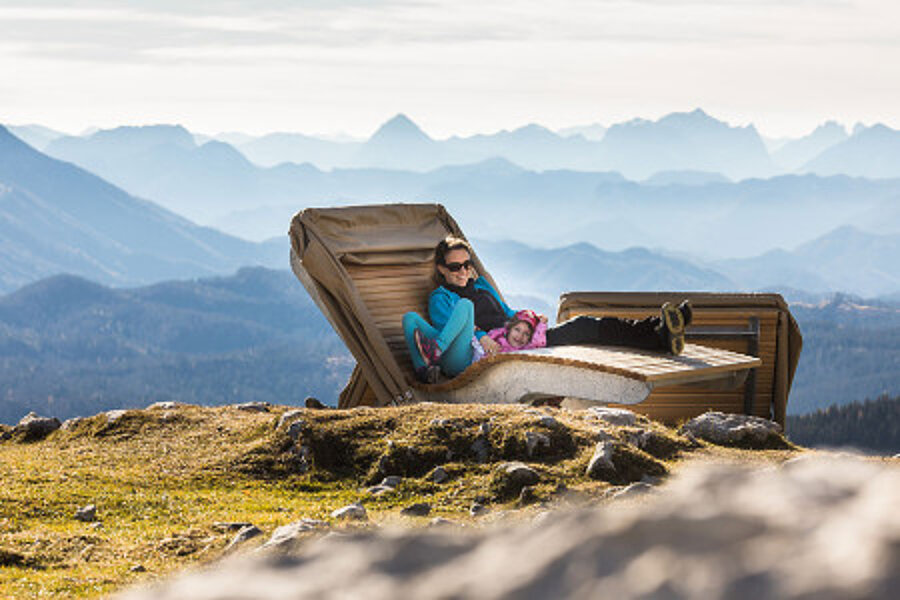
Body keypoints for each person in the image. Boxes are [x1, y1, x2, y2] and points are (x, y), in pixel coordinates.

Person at [402, 236, 692, 382]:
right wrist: (481, 337)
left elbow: (507, 312)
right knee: (465, 305)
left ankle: (658, 332)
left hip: (514, 338)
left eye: (467, 264)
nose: (463, 271)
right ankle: (659, 333)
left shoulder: (482, 287)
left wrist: (528, 320)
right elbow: (452, 328)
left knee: (584, 325)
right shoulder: (441, 297)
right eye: (455, 267)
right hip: (477, 352)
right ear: (441, 269)